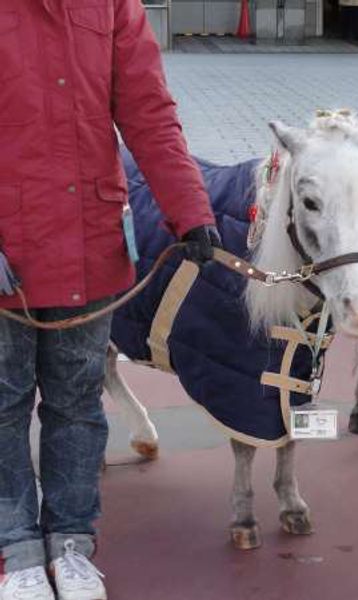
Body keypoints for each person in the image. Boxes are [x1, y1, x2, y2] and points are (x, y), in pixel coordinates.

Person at [0, 2, 219, 599]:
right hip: (6, 244)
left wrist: (189, 209)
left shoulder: (111, 7)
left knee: (76, 399)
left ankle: (71, 542)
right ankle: (17, 548)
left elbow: (149, 112)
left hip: (86, 238)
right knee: (4, 403)